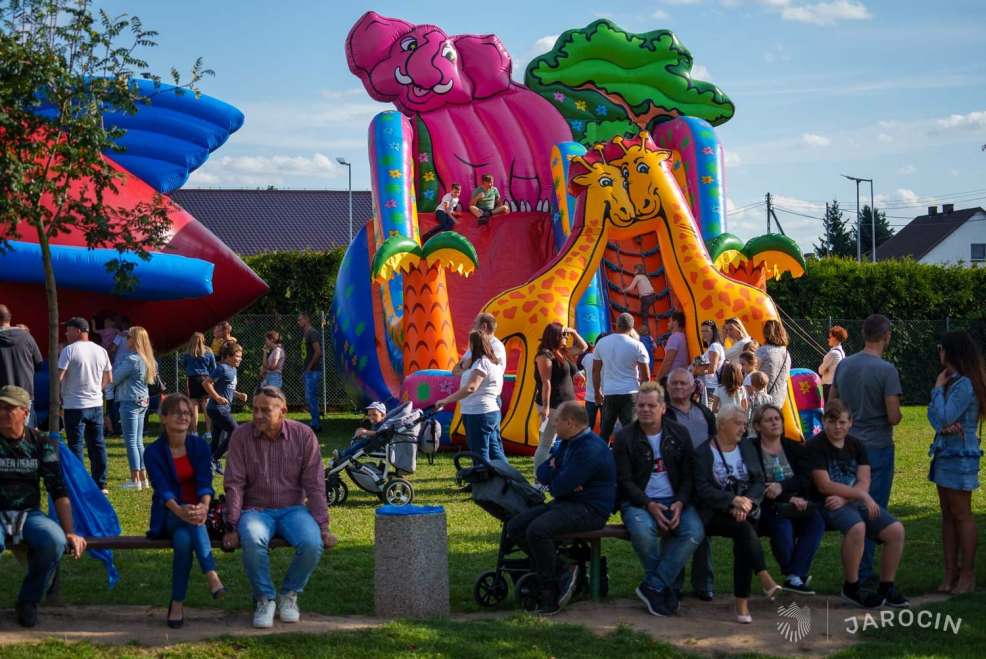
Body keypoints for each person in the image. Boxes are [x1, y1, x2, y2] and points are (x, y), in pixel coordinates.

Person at [223, 386, 336, 628]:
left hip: (293, 509)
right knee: (252, 540)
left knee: (312, 543)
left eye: (265, 410)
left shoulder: (304, 436)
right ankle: (265, 598)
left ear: (282, 411)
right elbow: (234, 483)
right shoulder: (241, 436)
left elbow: (315, 484)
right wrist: (231, 525)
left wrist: (323, 526)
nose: (257, 416)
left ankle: (289, 594)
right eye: (255, 409)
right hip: (255, 510)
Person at [505, 401, 616, 615]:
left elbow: (558, 487)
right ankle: (561, 569)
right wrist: (560, 476)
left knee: (538, 530)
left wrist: (559, 476)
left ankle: (550, 588)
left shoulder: (589, 448)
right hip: (569, 502)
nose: (553, 424)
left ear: (570, 422)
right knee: (516, 526)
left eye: (557, 420)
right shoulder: (569, 442)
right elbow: (544, 472)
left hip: (590, 509)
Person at [806, 399, 909, 608]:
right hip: (828, 504)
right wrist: (860, 496)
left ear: (851, 422)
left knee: (896, 530)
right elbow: (824, 486)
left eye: (843, 422)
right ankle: (852, 587)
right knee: (857, 527)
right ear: (824, 421)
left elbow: (864, 481)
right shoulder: (815, 446)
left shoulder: (857, 444)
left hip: (849, 499)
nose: (838, 427)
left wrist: (851, 497)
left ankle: (886, 586)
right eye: (832, 422)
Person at [0, 385, 87, 628]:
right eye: (0, 408)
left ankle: (29, 600)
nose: (3, 413)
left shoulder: (41, 443)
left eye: (10, 408)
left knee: (55, 541)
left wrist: (69, 531)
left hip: (28, 514)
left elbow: (58, 490)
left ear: (25, 412)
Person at [614, 382, 704, 617]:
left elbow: (688, 476)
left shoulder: (679, 434)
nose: (645, 410)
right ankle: (666, 588)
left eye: (651, 405)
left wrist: (680, 502)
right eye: (641, 405)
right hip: (639, 501)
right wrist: (649, 505)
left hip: (675, 499)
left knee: (694, 531)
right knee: (643, 532)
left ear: (663, 408)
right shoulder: (624, 437)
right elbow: (624, 481)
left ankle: (653, 585)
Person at [830, 314, 902, 584]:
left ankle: (855, 570)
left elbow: (832, 403)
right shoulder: (887, 370)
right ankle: (864, 571)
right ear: (887, 336)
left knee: (854, 507)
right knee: (875, 510)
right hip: (877, 447)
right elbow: (893, 416)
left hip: (848, 444)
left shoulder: (845, 364)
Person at [693, 406, 781, 623]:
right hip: (715, 513)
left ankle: (744, 602)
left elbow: (759, 481)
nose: (744, 428)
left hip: (746, 510)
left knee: (744, 533)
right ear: (722, 424)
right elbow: (702, 489)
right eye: (739, 423)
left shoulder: (747, 447)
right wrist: (732, 501)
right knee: (744, 531)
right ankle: (762, 580)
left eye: (745, 424)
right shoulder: (704, 452)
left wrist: (746, 503)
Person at [145, 394, 225, 628]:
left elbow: (205, 482)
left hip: (198, 514)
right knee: (188, 523)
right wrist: (182, 511)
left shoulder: (199, 445)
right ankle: (211, 574)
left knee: (182, 541)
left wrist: (204, 506)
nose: (183, 416)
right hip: (169, 513)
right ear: (164, 417)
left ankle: (177, 603)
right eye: (177, 412)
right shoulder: (153, 452)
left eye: (188, 413)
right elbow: (162, 489)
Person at [927, 330, 985, 594]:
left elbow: (943, 418)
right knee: (947, 515)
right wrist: (942, 419)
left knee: (961, 514)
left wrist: (938, 393)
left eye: (941, 347)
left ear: (950, 351)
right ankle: (950, 573)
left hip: (960, 455)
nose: (938, 352)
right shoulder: (951, 381)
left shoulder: (964, 384)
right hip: (944, 452)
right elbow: (937, 418)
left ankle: (967, 574)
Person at [751, 404, 824, 594]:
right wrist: (784, 496)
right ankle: (796, 575)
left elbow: (804, 478)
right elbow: (755, 481)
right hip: (767, 504)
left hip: (796, 501)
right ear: (758, 426)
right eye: (769, 419)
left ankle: (794, 576)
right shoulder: (751, 449)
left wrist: (784, 488)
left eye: (777, 419)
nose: (775, 422)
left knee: (815, 522)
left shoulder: (793, 448)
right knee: (782, 527)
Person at [663, 368, 717, 600]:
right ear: (667, 387)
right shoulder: (662, 415)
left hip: (703, 483)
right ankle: (671, 584)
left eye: (683, 383)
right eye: (674, 383)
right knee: (673, 533)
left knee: (703, 533)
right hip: (674, 484)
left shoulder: (705, 413)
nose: (678, 387)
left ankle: (703, 584)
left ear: (693, 387)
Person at [57, 317, 112, 493]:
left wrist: (58, 397)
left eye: (68, 329)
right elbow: (109, 378)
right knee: (98, 444)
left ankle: (79, 482)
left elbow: (59, 376)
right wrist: (97, 389)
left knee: (76, 445)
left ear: (78, 331)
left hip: (74, 405)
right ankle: (101, 483)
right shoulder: (101, 350)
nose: (66, 333)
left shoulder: (69, 350)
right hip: (95, 403)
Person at [436, 331, 507, 463]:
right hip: (489, 411)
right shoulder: (493, 362)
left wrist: (446, 400)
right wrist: (466, 365)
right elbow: (456, 371)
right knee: (494, 449)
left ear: (474, 345)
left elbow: (471, 387)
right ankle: (507, 479)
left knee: (479, 453)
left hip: (478, 412)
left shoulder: (482, 363)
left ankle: (483, 481)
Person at [533, 322, 588, 469]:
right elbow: (546, 383)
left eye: (566, 334)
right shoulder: (544, 355)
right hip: (553, 406)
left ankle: (560, 469)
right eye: (563, 334)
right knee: (546, 441)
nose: (566, 337)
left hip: (567, 405)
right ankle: (539, 478)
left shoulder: (561, 352)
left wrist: (574, 332)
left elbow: (583, 347)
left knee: (572, 438)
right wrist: (545, 408)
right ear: (554, 336)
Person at [593, 313, 650, 442]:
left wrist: (597, 392)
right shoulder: (637, 345)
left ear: (616, 325)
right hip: (631, 393)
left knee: (605, 431)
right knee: (632, 432)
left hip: (610, 393)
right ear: (632, 327)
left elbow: (595, 370)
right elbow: (645, 376)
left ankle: (602, 458)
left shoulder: (602, 343)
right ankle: (632, 459)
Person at [113, 326, 156, 491]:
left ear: (135, 340)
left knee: (131, 441)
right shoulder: (147, 359)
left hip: (129, 400)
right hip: (142, 400)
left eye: (129, 336)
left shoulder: (131, 359)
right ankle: (143, 478)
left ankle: (135, 480)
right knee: (138, 441)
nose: (126, 339)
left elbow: (115, 378)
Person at [202, 341, 247, 473]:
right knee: (236, 432)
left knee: (216, 438)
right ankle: (214, 459)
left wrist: (238, 394)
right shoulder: (222, 368)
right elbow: (206, 383)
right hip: (217, 408)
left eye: (240, 356)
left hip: (221, 408)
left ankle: (207, 465)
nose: (240, 359)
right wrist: (217, 398)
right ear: (228, 356)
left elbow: (227, 387)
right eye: (237, 356)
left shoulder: (233, 369)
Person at [0, 305, 43, 426]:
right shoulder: (27, 337)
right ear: (9, 318)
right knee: (25, 436)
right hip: (24, 395)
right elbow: (39, 364)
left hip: (3, 397)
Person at [181, 332, 216, 440]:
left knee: (194, 406)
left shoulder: (188, 353)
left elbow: (183, 364)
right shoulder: (209, 352)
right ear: (203, 340)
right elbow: (213, 367)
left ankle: (194, 432)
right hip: (206, 378)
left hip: (193, 379)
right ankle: (209, 431)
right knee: (206, 405)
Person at [755, 320, 791, 409]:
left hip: (763, 397)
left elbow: (753, 372)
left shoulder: (763, 351)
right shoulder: (786, 353)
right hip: (779, 397)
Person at [297, 312, 323, 433]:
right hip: (309, 371)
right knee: (310, 398)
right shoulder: (305, 333)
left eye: (300, 320)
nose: (298, 322)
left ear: (307, 319)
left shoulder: (312, 333)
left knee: (311, 398)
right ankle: (315, 421)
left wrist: (309, 368)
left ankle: (316, 424)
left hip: (313, 371)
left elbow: (318, 352)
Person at [694, 320, 724, 402]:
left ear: (713, 332)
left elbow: (712, 369)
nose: (704, 333)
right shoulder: (712, 347)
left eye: (707, 331)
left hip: (711, 386)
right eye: (702, 331)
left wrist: (696, 372)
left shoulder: (714, 346)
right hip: (708, 386)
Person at [656, 311, 690, 382]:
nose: (667, 323)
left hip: (673, 378)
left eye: (669, 321)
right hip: (682, 376)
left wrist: (658, 379)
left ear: (675, 322)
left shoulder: (674, 337)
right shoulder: (683, 336)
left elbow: (668, 361)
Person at [818, 325, 848, 402]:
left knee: (829, 410)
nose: (828, 339)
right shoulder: (842, 352)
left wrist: (825, 369)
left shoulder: (833, 353)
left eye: (830, 337)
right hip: (837, 386)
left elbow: (820, 370)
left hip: (829, 386)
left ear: (835, 338)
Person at [623, 264, 658, 329]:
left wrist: (623, 290)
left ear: (637, 270)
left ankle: (646, 333)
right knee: (644, 310)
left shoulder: (637, 277)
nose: (634, 271)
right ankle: (644, 315)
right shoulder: (645, 277)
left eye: (635, 270)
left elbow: (631, 287)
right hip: (653, 296)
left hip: (646, 298)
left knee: (644, 317)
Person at [580, 337, 602, 430]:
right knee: (606, 426)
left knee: (588, 425)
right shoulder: (610, 358)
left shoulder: (587, 357)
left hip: (590, 396)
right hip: (605, 396)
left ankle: (585, 443)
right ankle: (604, 444)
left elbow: (585, 371)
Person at [746, 371, 774, 436]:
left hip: (753, 428)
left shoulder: (752, 398)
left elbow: (749, 412)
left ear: (752, 385)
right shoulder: (769, 398)